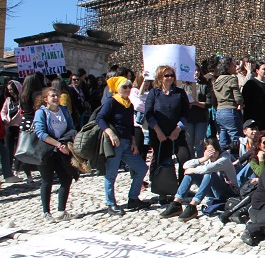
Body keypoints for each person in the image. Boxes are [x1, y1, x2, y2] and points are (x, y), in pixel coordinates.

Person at [96, 76, 150, 215]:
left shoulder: (129, 104)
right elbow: (100, 118)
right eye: (124, 87)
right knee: (111, 174)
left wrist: (133, 142)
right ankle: (111, 204)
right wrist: (110, 133)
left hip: (127, 143)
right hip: (115, 143)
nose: (127, 89)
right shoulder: (111, 102)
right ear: (117, 88)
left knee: (142, 168)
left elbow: (130, 125)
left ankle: (133, 198)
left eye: (129, 87)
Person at [160, 137, 238, 221]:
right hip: (213, 192)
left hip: (229, 193)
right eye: (210, 152)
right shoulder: (207, 159)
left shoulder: (224, 159)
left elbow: (207, 169)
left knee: (209, 173)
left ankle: (193, 205)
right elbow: (185, 165)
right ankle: (176, 203)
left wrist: (192, 170)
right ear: (205, 151)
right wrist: (203, 159)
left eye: (215, 151)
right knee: (191, 174)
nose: (213, 154)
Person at [145, 65, 191, 196]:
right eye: (167, 75)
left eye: (172, 75)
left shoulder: (180, 93)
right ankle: (163, 190)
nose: (170, 78)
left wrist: (178, 129)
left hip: (177, 133)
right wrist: (158, 131)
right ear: (160, 77)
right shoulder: (154, 93)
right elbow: (148, 114)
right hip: (159, 134)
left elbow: (186, 113)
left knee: (185, 159)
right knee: (162, 161)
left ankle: (183, 189)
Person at [33, 87, 78, 223]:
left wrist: (68, 142)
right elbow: (40, 133)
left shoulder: (63, 110)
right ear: (46, 99)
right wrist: (58, 145)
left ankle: (61, 210)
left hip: (62, 150)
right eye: (53, 96)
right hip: (47, 151)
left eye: (57, 95)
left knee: (66, 179)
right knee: (47, 181)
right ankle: (46, 212)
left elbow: (71, 127)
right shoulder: (41, 113)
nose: (56, 98)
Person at [213, 57, 244, 151]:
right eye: (233, 64)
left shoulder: (217, 80)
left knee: (223, 140)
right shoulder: (231, 79)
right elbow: (238, 97)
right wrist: (241, 103)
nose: (235, 66)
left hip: (219, 112)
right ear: (227, 67)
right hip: (230, 111)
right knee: (237, 139)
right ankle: (238, 162)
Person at [242, 60, 265, 132]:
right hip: (255, 118)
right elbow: (245, 100)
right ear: (257, 71)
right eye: (264, 69)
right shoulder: (251, 84)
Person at [1, 80, 24, 183]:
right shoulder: (8, 100)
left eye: (11, 89)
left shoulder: (22, 100)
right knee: (8, 150)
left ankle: (17, 169)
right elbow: (3, 111)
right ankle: (9, 172)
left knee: (18, 149)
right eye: (8, 90)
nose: (10, 91)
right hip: (9, 126)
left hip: (19, 127)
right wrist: (4, 118)